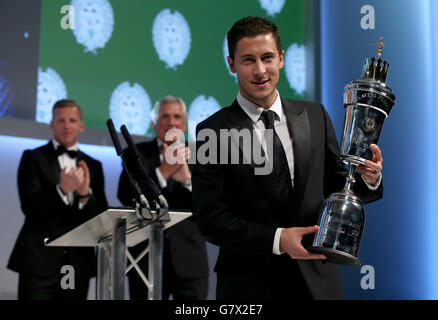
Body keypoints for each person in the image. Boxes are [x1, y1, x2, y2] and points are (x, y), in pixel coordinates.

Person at [191, 16, 384, 300]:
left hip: (319, 283)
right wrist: (279, 240)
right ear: (231, 64)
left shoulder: (315, 116)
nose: (260, 71)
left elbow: (337, 186)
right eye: (248, 60)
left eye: (267, 58)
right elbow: (212, 221)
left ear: (281, 58)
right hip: (249, 287)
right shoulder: (213, 131)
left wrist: (367, 179)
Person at [7, 99, 108, 300]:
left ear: (82, 125)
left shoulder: (94, 165)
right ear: (52, 124)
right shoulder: (33, 158)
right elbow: (30, 206)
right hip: (38, 261)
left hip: (76, 263)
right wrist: (61, 190)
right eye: (61, 120)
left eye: (72, 120)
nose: (67, 125)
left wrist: (84, 194)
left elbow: (101, 215)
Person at [117, 96, 209, 300]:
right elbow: (125, 195)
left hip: (190, 261)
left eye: (177, 117)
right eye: (165, 116)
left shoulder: (201, 155)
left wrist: (186, 180)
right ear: (154, 122)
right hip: (144, 259)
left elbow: (209, 207)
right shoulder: (134, 153)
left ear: (184, 124)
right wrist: (163, 173)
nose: (171, 122)